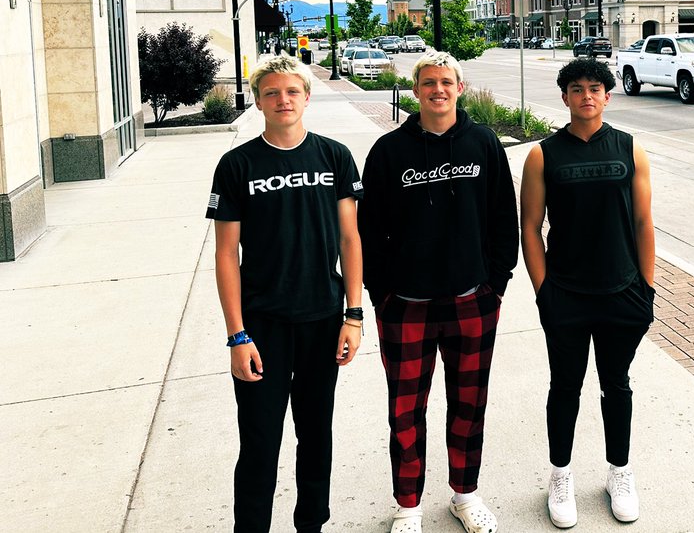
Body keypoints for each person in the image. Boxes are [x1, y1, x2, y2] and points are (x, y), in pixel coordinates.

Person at [359, 52, 519, 533]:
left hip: (473, 299)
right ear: (416, 91)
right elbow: (370, 230)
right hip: (406, 305)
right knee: (406, 410)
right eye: (428, 83)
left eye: (446, 82)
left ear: (460, 87)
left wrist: (496, 285)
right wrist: (381, 294)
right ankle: (407, 507)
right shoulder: (389, 152)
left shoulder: (483, 144)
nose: (438, 90)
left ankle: (464, 495)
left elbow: (502, 218)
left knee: (469, 404)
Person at [207, 54, 364, 532]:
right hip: (263, 324)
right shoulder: (237, 165)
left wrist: (353, 316)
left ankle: (311, 524)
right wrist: (237, 336)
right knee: (259, 443)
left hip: (322, 319)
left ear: (307, 97)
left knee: (316, 438)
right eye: (272, 93)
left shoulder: (334, 155)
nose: (283, 100)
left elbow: (350, 239)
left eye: (292, 91)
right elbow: (225, 255)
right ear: (257, 101)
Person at [520, 57, 656, 528]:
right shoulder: (543, 155)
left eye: (595, 88)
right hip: (567, 295)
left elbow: (642, 222)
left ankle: (619, 471)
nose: (587, 96)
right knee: (565, 388)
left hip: (623, 292)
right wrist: (544, 293)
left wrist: (647, 288)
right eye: (576, 88)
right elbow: (530, 228)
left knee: (616, 386)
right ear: (564, 97)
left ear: (607, 95)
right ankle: (560, 476)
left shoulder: (630, 148)